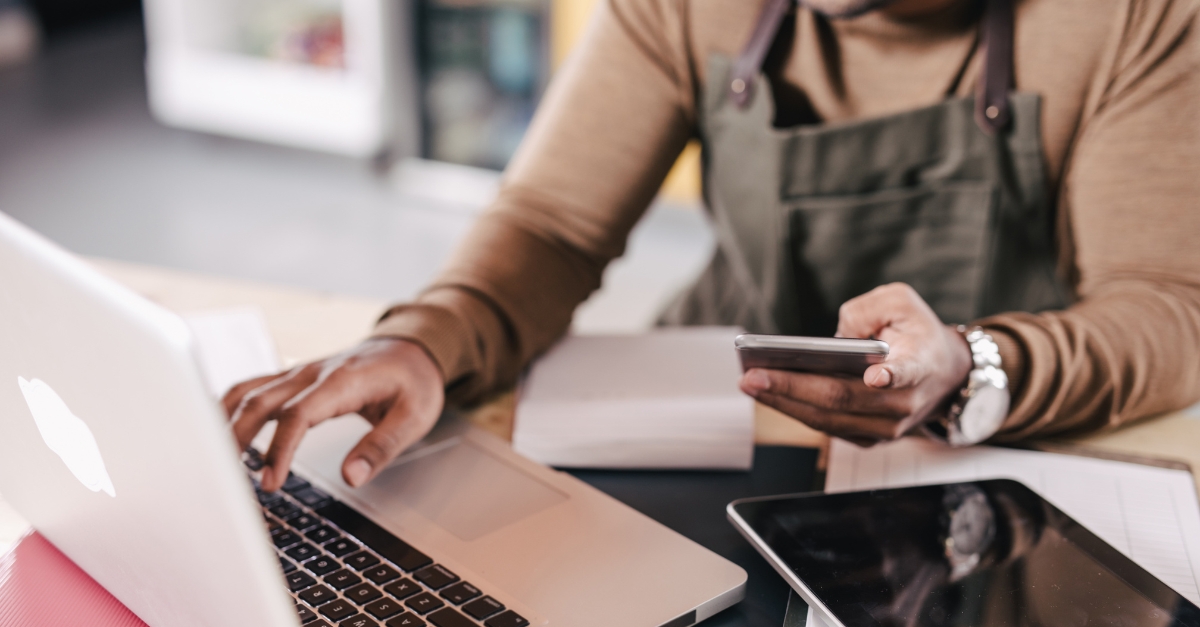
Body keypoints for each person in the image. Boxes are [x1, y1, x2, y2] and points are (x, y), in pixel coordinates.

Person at [227, 0, 1200, 492]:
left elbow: (1165, 306)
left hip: (983, 454)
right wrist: (428, 340)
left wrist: (973, 368)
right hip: (712, 426)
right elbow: (552, 225)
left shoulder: (1132, 19)